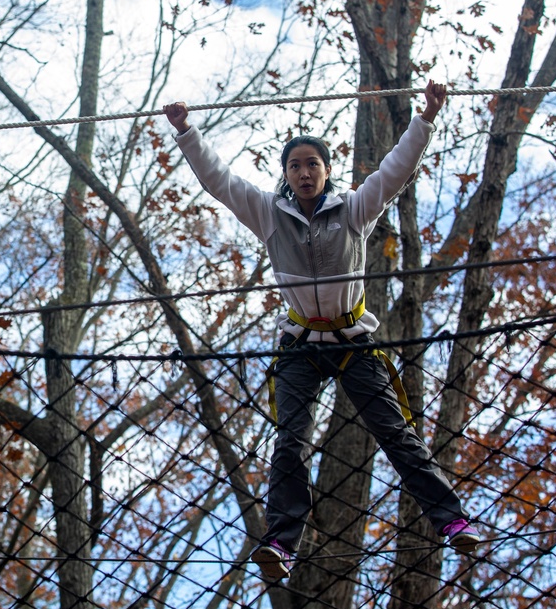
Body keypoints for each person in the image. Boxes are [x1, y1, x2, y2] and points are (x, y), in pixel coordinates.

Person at [163, 81, 481, 582]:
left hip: (354, 342)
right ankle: (281, 544)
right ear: (286, 176)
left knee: (395, 434)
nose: (305, 172)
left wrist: (425, 120)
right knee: (290, 439)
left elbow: (395, 171)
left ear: (326, 171)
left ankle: (452, 520)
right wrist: (186, 131)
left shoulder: (353, 210)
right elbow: (220, 181)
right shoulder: (269, 214)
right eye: (295, 166)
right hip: (299, 347)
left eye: (313, 164)